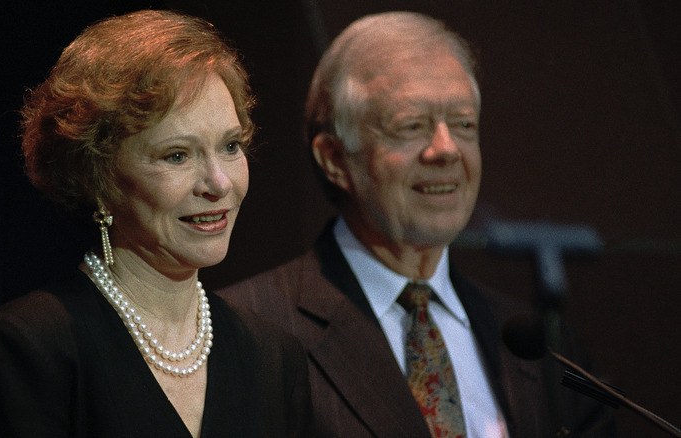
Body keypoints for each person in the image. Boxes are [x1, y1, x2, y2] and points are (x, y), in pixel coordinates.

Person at [217, 11, 616, 437]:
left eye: (464, 124)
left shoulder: (543, 349)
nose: (446, 150)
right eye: (411, 126)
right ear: (334, 159)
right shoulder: (248, 334)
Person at [0, 10, 311, 438]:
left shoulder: (275, 358)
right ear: (98, 176)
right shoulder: (30, 348)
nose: (219, 183)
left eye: (230, 146)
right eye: (177, 155)